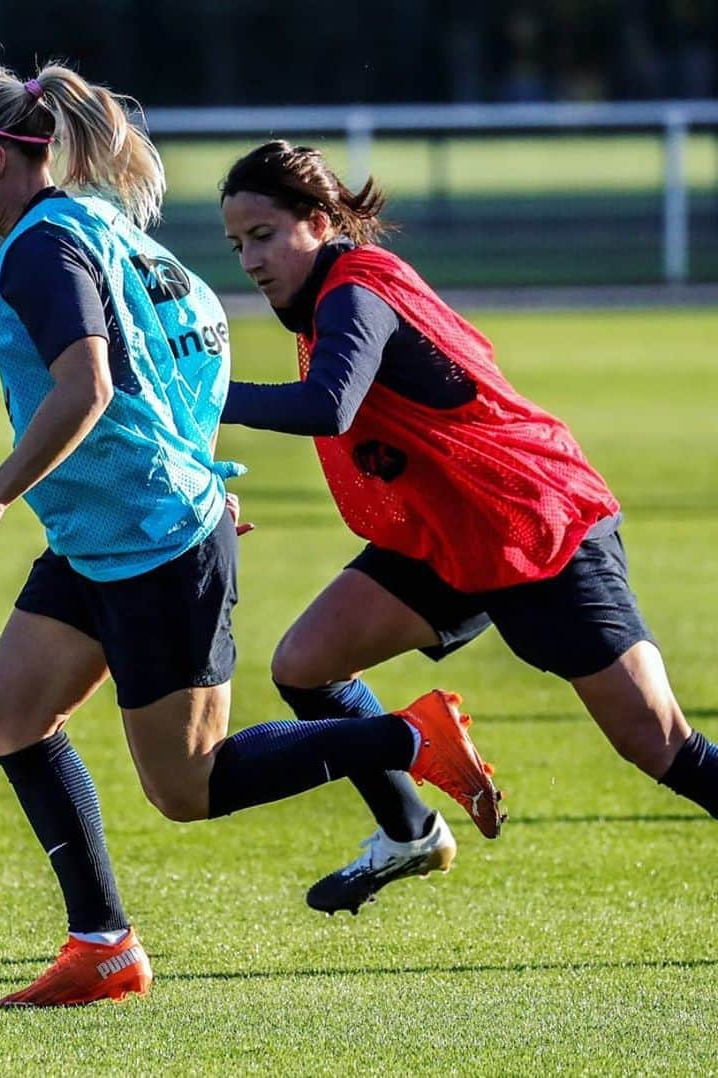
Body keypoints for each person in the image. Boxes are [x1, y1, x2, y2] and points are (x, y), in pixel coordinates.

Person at [0, 64, 502, 1008]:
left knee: (186, 788)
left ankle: (404, 735)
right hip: (107, 531)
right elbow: (196, 334)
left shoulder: (39, 250)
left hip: (153, 545)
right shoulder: (101, 224)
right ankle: (103, 946)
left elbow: (89, 387)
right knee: (12, 717)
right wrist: (192, 458)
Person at [218, 139, 718, 910]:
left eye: (263, 236)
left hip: (534, 523)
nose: (249, 260)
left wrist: (195, 396)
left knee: (661, 746)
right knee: (305, 663)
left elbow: (328, 404)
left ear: (318, 223)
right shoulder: (327, 295)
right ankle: (411, 832)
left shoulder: (354, 291)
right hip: (450, 534)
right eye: (236, 244)